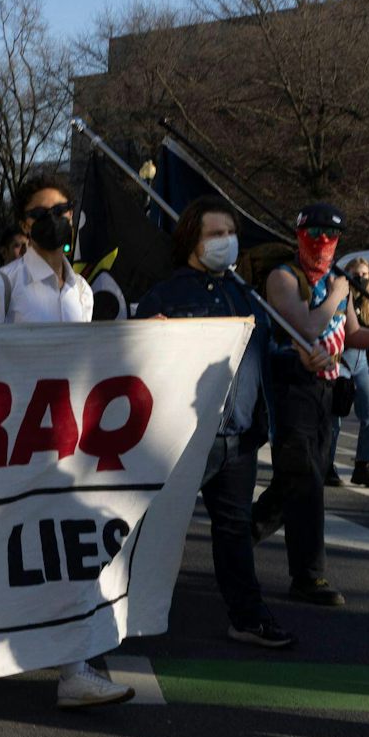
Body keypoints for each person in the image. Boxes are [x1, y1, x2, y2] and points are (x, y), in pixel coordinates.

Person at [0, 173, 136, 709]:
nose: (57, 219)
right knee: (6, 552)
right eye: (44, 211)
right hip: (13, 445)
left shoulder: (83, 291)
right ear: (24, 223)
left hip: (68, 445)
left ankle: (74, 668)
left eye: (64, 209)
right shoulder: (3, 286)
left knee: (69, 553)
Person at [134, 198, 292, 648]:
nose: (227, 242)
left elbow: (263, 355)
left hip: (238, 438)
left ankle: (247, 616)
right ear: (190, 240)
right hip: (183, 439)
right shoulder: (165, 296)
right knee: (150, 524)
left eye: (230, 233)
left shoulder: (246, 295)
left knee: (234, 532)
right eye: (215, 234)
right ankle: (110, 610)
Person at [250, 203, 369, 607]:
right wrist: (339, 293)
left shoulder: (336, 282)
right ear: (299, 236)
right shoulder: (284, 278)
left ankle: (238, 537)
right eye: (315, 235)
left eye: (331, 236)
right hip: (291, 388)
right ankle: (309, 576)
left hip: (327, 391)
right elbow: (304, 326)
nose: (323, 243)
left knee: (296, 481)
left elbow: (352, 333)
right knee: (305, 479)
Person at [329, 256, 369, 489]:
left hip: (362, 359)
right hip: (341, 356)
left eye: (364, 275)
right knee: (335, 414)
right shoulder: (339, 294)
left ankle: (364, 466)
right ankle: (325, 465)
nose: (360, 278)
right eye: (356, 274)